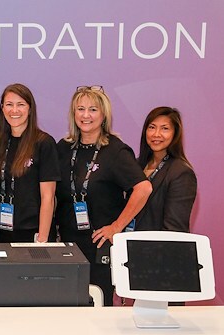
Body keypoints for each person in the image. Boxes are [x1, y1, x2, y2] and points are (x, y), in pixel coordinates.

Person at [55, 85, 152, 306]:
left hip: (99, 245)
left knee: (99, 306)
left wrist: (116, 226)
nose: (86, 115)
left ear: (104, 114)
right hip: (67, 244)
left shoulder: (115, 151)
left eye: (93, 109)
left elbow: (143, 188)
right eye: (80, 109)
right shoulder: (63, 148)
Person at [0, 83, 60, 243]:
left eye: (21, 104)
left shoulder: (44, 143)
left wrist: (42, 238)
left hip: (34, 232)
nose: (14, 110)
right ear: (2, 108)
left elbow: (48, 196)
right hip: (3, 230)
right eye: (9, 104)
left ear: (30, 109)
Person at [135, 107, 197, 232]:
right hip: (127, 244)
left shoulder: (181, 173)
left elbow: (175, 229)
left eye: (165, 128)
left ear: (175, 134)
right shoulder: (136, 165)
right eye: (152, 127)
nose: (156, 134)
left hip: (158, 249)